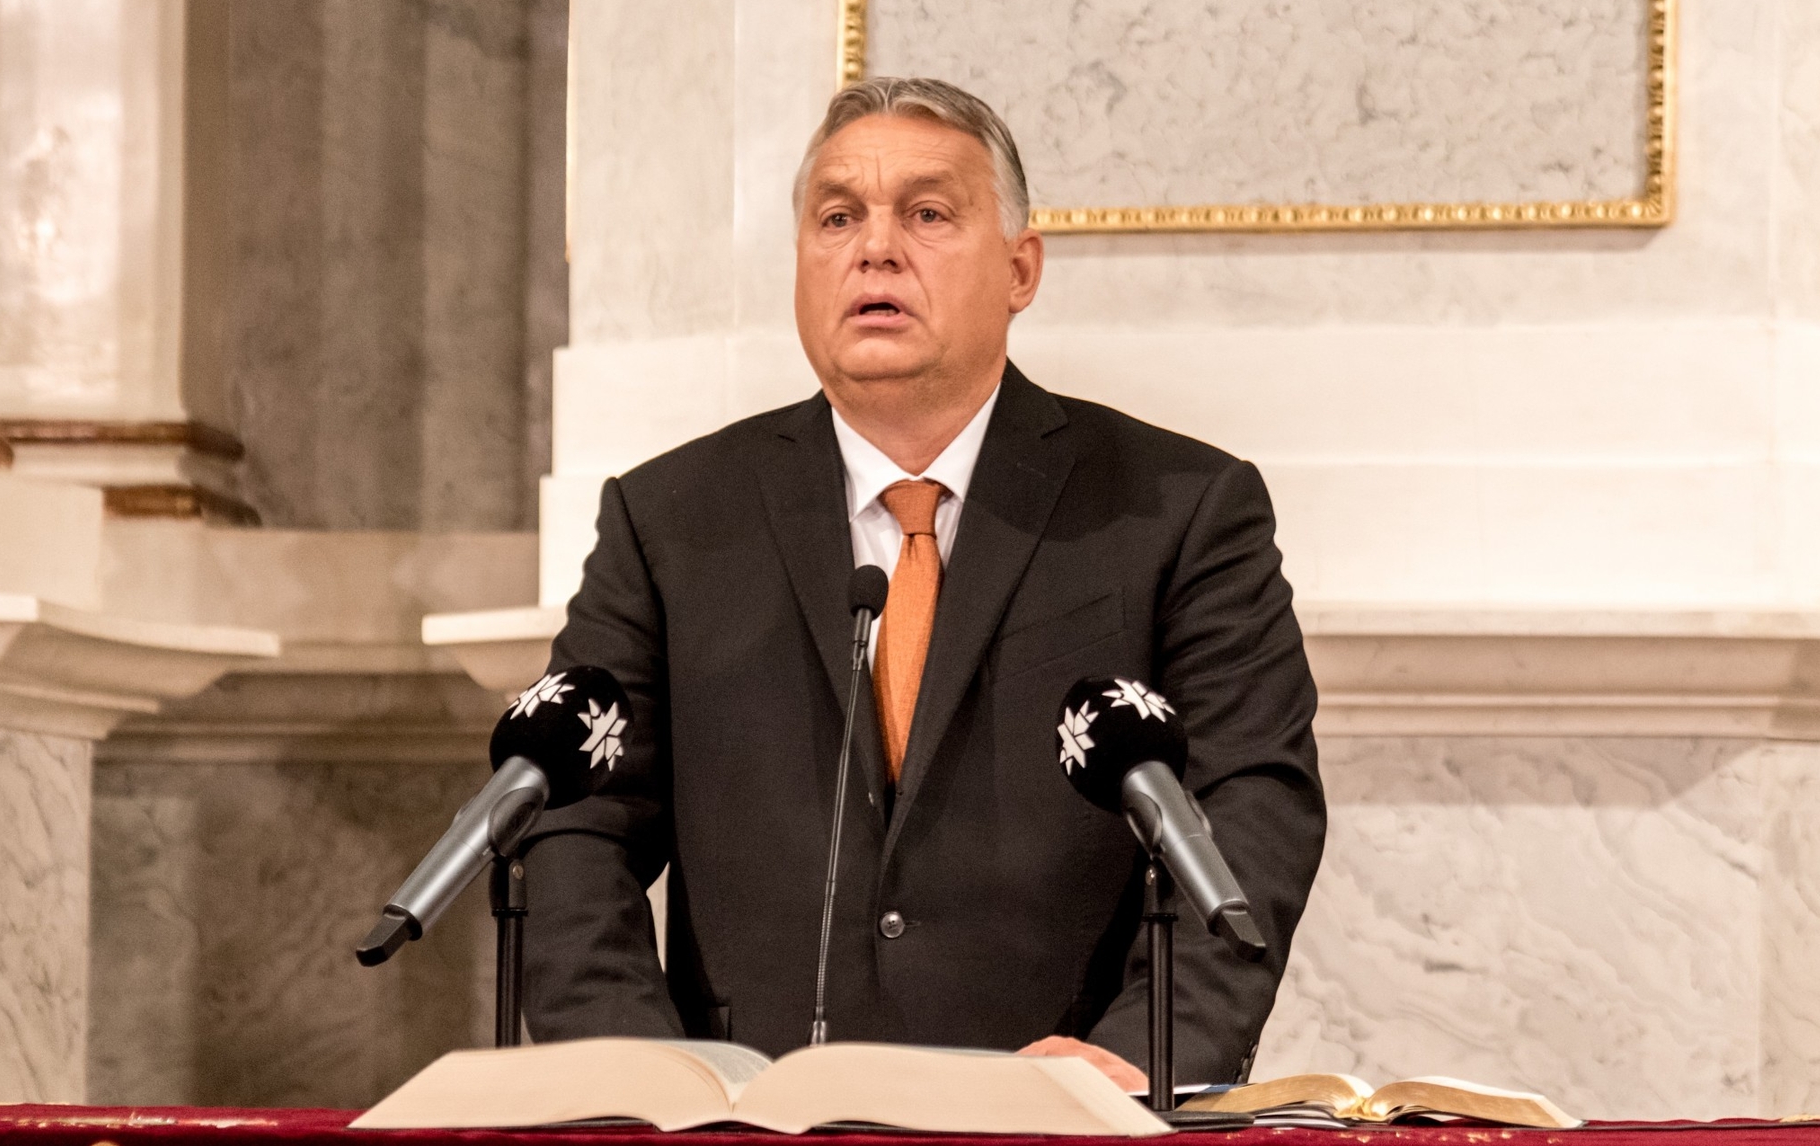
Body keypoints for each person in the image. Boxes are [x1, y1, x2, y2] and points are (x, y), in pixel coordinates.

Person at [519, 76, 1326, 1086]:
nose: (875, 249)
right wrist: (643, 1075)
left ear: (1020, 268)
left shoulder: (1176, 509)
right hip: (750, 1132)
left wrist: (1138, 1058)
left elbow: (1249, 808)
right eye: (837, 218)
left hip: (1064, 1123)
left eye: (928, 214)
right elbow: (571, 823)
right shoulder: (671, 521)